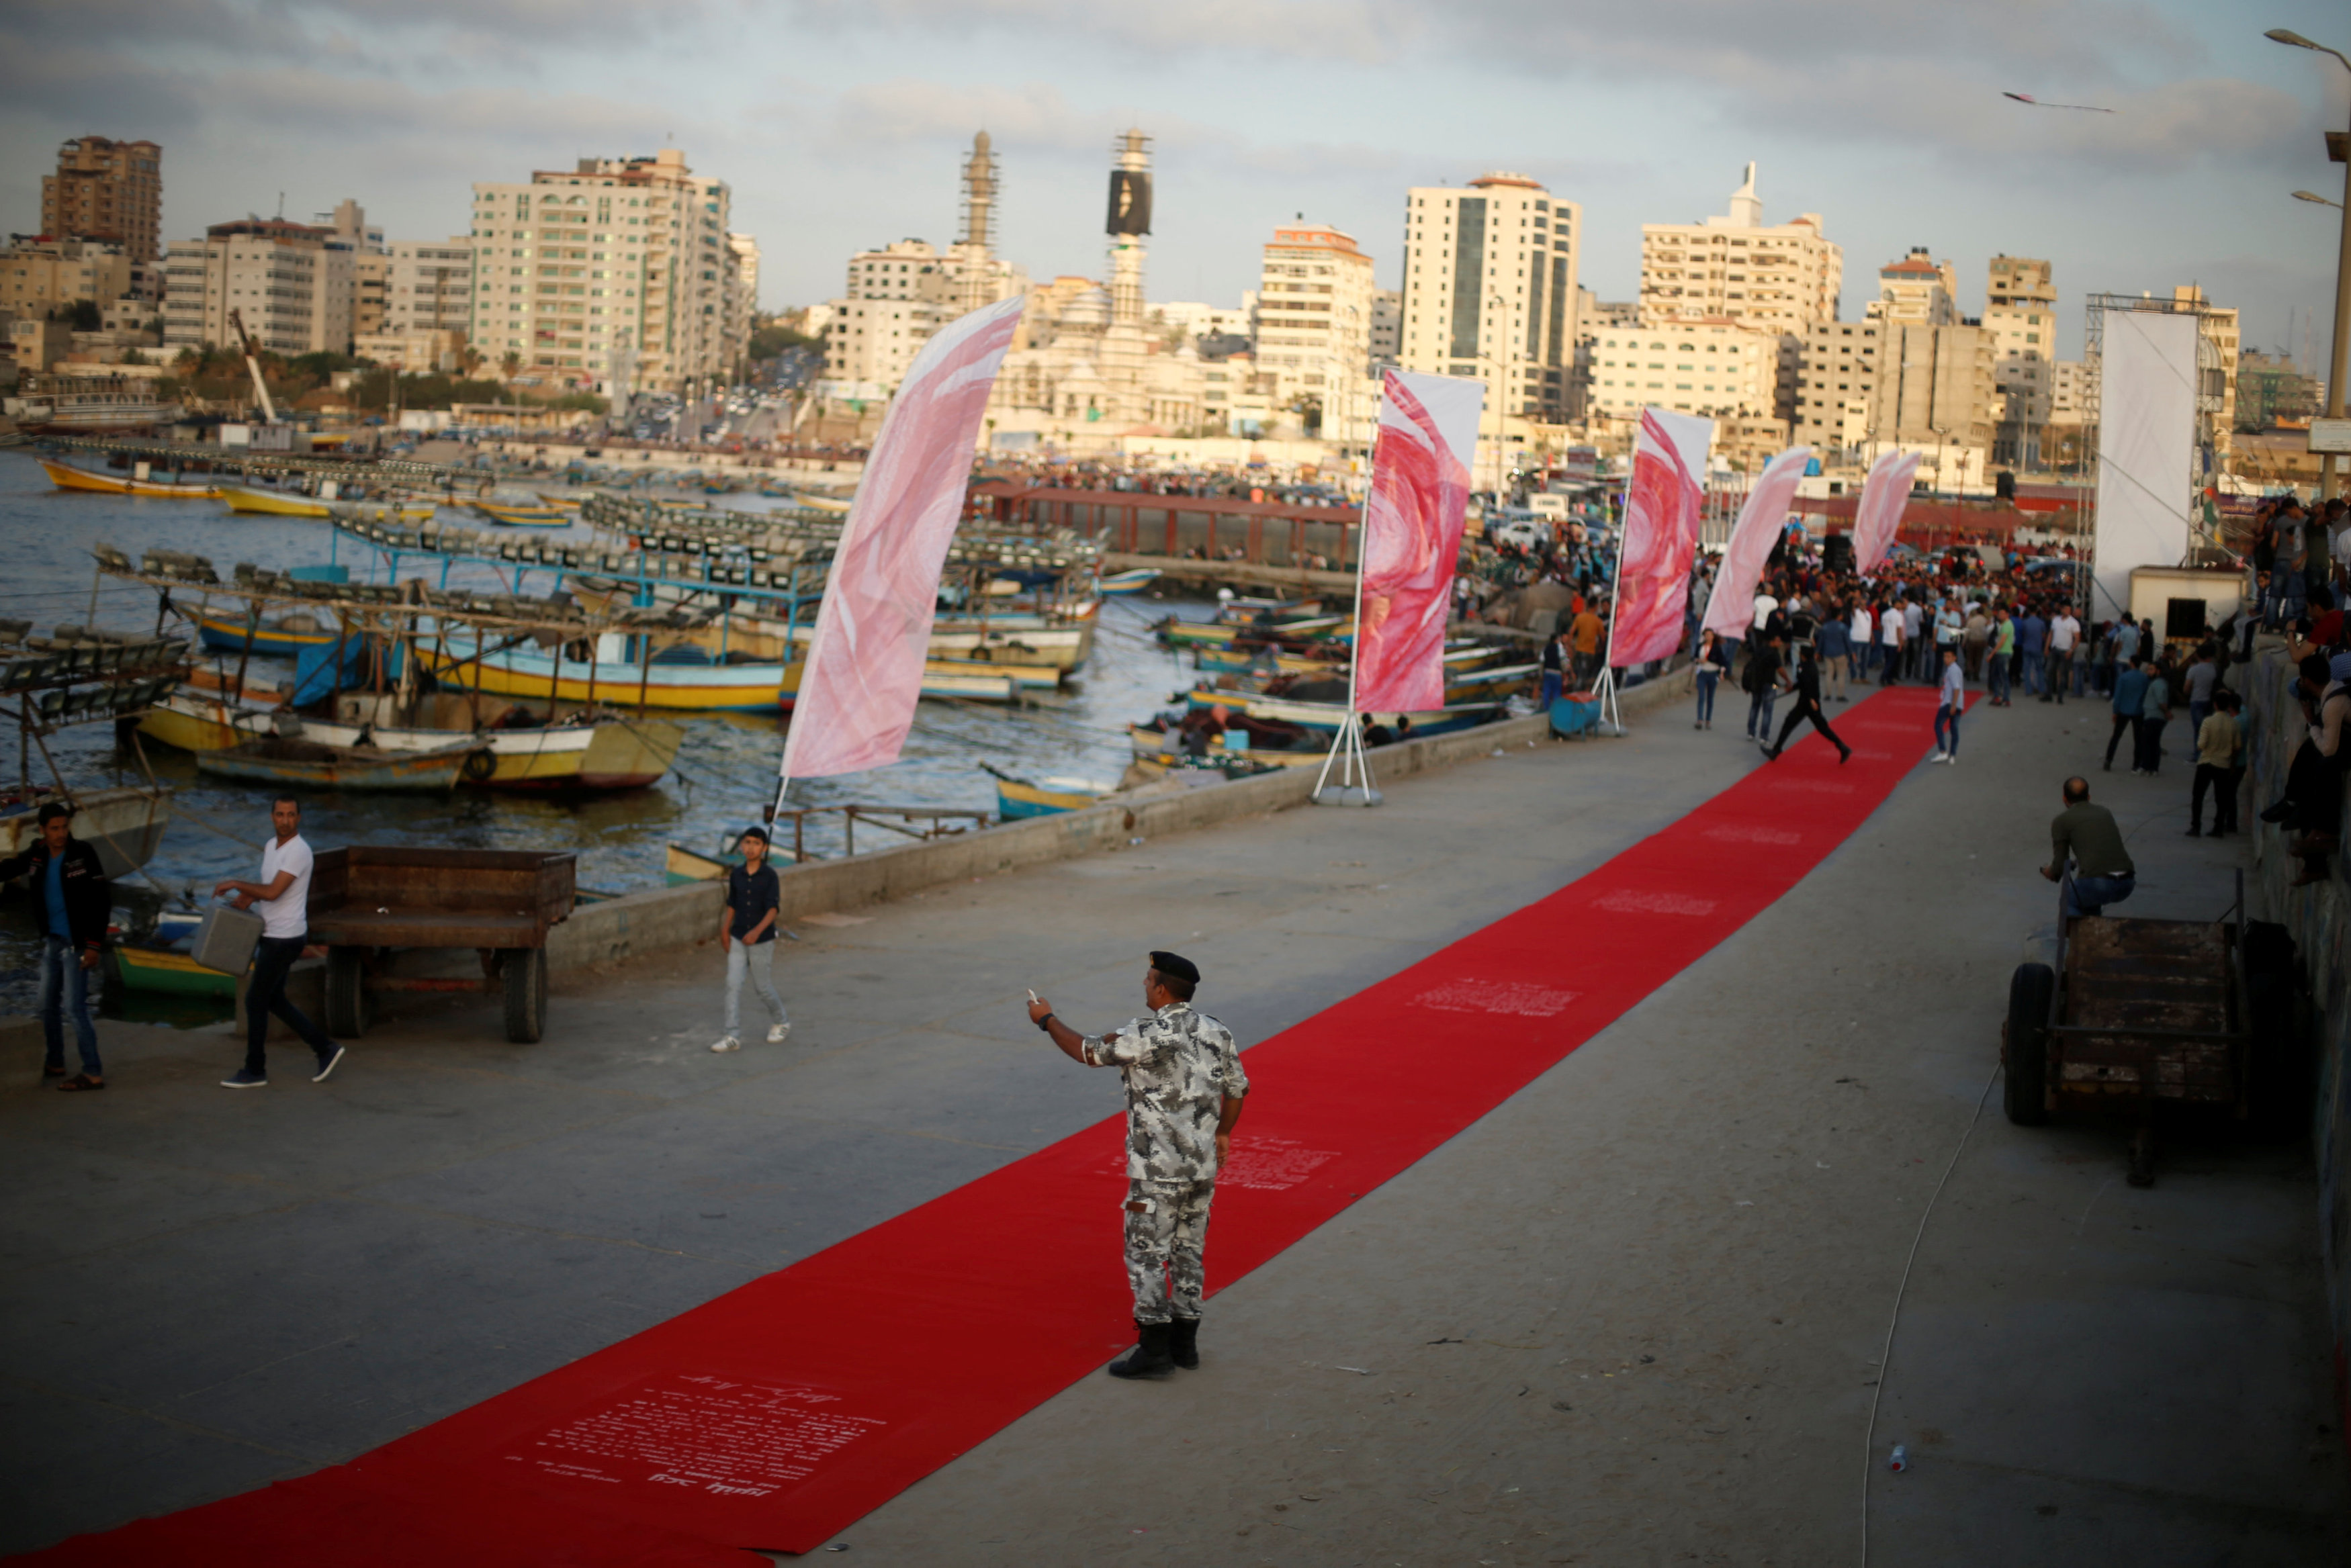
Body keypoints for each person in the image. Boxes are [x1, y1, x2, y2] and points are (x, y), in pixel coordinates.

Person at [1026, 952, 1249, 1379]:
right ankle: (1187, 1346)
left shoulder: (1146, 1033)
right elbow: (1238, 1089)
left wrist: (1046, 1019)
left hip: (1156, 1174)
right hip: (1201, 1169)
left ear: (1162, 989)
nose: (1144, 985)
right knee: (1189, 1253)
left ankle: (1154, 1351)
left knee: (1145, 1255)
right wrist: (1223, 1134)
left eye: (1148, 980)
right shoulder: (1216, 1030)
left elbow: (1088, 1052)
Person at [214, 795, 345, 1089]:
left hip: (285, 938)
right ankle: (325, 1049)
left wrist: (236, 883)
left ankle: (255, 1069)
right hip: (271, 933)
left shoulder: (299, 851)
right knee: (273, 999)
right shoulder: (272, 846)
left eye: (291, 815)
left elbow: (273, 892)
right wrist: (248, 897)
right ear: (272, 817)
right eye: (280, 814)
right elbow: (268, 888)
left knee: (255, 1000)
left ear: (299, 818)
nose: (285, 820)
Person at [0, 802, 109, 1091]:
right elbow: (11, 867)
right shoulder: (37, 853)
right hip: (53, 940)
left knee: (74, 1008)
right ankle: (56, 1060)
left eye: (64, 827)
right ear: (43, 830)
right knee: (46, 1005)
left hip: (78, 943)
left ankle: (93, 1071)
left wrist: (94, 945)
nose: (61, 834)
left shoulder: (83, 854)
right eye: (55, 828)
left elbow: (101, 901)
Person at [713, 826, 791, 1052]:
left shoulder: (770, 876)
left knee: (762, 987)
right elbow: (732, 904)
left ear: (764, 848)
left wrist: (757, 931)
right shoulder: (736, 874)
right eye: (747, 842)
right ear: (741, 846)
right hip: (738, 936)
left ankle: (782, 1021)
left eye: (756, 843)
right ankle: (732, 1035)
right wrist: (725, 930)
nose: (750, 847)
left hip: (762, 940)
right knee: (732, 985)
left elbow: (773, 909)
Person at [2042, 776, 2136, 918]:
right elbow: (2101, 848)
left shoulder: (2061, 821)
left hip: (2098, 883)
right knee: (2089, 900)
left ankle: (2079, 938)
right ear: (2089, 797)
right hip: (2127, 882)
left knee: (2070, 901)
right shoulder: (2104, 812)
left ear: (2064, 799)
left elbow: (2059, 865)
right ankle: (2093, 934)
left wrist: (2050, 872)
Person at [1763, 646, 1852, 764]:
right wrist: (1794, 688)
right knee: (1820, 727)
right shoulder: (1812, 666)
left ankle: (1776, 750)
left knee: (1791, 723)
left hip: (1807, 703)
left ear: (1803, 655)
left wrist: (1811, 699)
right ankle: (1841, 747)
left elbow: (1807, 683)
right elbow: (1804, 683)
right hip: (1809, 702)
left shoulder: (1803, 667)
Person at [2188, 694, 2239, 837]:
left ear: (2215, 704)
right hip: (2223, 764)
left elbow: (2201, 745)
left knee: (2198, 796)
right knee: (2221, 798)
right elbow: (2237, 746)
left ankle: (2196, 826)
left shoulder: (2208, 722)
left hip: (2206, 762)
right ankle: (2218, 828)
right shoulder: (2233, 723)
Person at [2103, 655, 2150, 772]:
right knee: (2138, 738)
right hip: (2139, 711)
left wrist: (2115, 711)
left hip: (2124, 710)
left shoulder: (2124, 677)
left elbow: (2118, 696)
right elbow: (2146, 695)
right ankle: (2136, 763)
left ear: (2131, 663)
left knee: (2116, 736)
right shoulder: (2144, 678)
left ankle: (2109, 760)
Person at [1743, 631, 1783, 743]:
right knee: (1767, 711)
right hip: (1770, 684)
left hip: (1756, 683)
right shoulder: (1774, 653)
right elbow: (1780, 669)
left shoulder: (1759, 651)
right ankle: (1763, 736)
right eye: (1778, 641)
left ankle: (1751, 733)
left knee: (1754, 707)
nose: (1780, 643)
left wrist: (1746, 684)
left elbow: (1750, 666)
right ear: (1772, 642)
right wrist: (1788, 681)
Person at [2133, 658, 2171, 776]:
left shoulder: (2158, 683)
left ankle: (2146, 767)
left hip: (2154, 717)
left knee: (2148, 743)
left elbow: (2161, 701)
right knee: (2154, 743)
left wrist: (2167, 712)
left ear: (2158, 671)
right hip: (2154, 716)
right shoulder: (2157, 683)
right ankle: (2153, 769)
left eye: (2151, 670)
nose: (2148, 672)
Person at [1930, 646, 1965, 764]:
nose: (1946, 659)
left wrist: (1953, 705)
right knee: (1954, 729)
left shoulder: (1953, 670)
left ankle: (1943, 751)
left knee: (1938, 725)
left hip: (1950, 703)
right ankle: (1952, 755)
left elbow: (1956, 688)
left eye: (1949, 657)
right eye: (1945, 656)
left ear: (1954, 658)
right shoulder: (1953, 669)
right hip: (1957, 703)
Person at [1815, 602, 1850, 702]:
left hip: (1828, 653)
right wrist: (1851, 653)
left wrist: (1818, 652)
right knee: (1841, 675)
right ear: (1839, 616)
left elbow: (1821, 640)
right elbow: (1847, 641)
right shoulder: (1843, 627)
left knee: (1829, 674)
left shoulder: (1826, 626)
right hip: (1840, 653)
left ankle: (1828, 694)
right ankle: (1840, 695)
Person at [2045, 605, 2080, 704]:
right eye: (2065, 609)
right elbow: (2051, 634)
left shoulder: (2074, 623)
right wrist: (2047, 647)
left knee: (2063, 674)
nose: (2067, 611)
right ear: (2062, 610)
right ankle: (2049, 694)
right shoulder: (2056, 620)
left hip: (2065, 650)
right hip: (2055, 648)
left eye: (2069, 609)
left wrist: (2071, 650)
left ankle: (2060, 696)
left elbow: (2077, 639)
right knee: (2049, 671)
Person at [1693, 629, 1725, 731]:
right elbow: (1695, 658)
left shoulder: (1717, 648)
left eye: (1710, 635)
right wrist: (1699, 661)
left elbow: (1722, 662)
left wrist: (1722, 673)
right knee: (1701, 696)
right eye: (1706, 635)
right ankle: (1699, 719)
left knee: (1710, 698)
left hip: (1712, 673)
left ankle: (1708, 720)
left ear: (1713, 637)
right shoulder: (1700, 646)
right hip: (1702, 673)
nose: (1708, 637)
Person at [1568, 601, 1605, 688]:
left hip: (1579, 649)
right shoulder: (1597, 620)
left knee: (1580, 673)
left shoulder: (1580, 617)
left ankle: (1578, 690)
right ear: (1596, 607)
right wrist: (1601, 647)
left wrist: (1570, 646)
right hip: (1590, 651)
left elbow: (1571, 632)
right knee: (1584, 675)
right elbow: (1603, 637)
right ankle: (1579, 692)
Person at [1984, 608, 2016, 706]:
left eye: (2003, 613)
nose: (2000, 615)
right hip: (2003, 652)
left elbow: (2001, 641)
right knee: (1999, 676)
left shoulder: (2007, 625)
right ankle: (1998, 696)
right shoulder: (2004, 625)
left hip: (2003, 653)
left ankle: (2005, 698)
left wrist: (1992, 653)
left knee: (2003, 676)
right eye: (1999, 613)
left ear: (2007, 615)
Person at [2018, 604, 2048, 698]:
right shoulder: (2041, 623)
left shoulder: (2025, 622)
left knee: (2027, 669)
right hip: (2037, 647)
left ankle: (2028, 689)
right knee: (2039, 669)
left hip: (2027, 647)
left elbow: (2023, 634)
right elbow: (2044, 635)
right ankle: (2041, 688)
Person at [1879, 597, 1904, 686]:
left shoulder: (1884, 614)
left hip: (1886, 640)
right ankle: (1883, 677)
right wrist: (1900, 642)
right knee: (1891, 662)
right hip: (1894, 642)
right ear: (1896, 604)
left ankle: (1889, 678)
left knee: (1888, 660)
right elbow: (1899, 630)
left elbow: (1882, 628)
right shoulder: (1898, 616)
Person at [1538, 628, 1565, 712]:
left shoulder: (1545, 649)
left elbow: (1541, 662)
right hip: (1557, 673)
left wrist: (1541, 674)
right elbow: (1562, 661)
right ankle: (1556, 710)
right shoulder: (1559, 648)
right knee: (1556, 692)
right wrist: (1564, 671)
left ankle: (1546, 709)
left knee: (1546, 691)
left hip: (1547, 672)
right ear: (1556, 640)